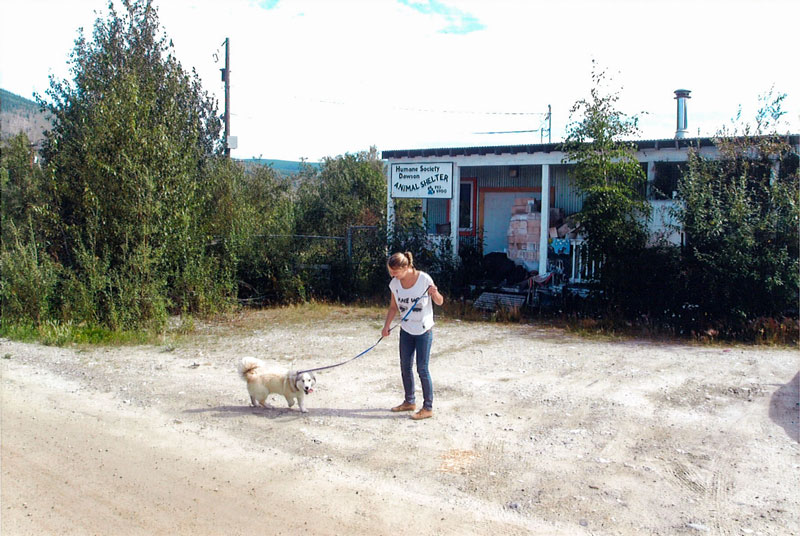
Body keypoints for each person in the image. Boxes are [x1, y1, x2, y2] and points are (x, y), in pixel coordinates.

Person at [381, 251, 444, 420]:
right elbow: (393, 307)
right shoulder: (395, 284)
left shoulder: (424, 279)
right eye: (391, 272)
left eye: (395, 272)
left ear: (406, 267)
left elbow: (439, 301)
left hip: (424, 330)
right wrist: (386, 326)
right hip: (406, 329)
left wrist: (434, 293)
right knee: (405, 366)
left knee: (422, 369)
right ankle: (409, 401)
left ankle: (428, 407)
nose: (393, 275)